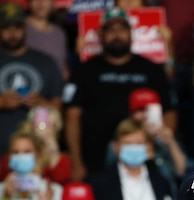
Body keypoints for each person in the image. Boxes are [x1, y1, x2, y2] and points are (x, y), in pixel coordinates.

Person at [64, 7, 175, 180]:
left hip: (143, 156)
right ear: (101, 35)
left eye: (122, 29)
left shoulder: (151, 69)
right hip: (95, 160)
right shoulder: (85, 70)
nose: (117, 35)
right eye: (111, 30)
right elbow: (72, 116)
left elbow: (169, 111)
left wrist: (161, 147)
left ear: (131, 33)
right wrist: (76, 162)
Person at [0, 3, 63, 155]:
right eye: (6, 28)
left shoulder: (46, 62)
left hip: (38, 151)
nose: (12, 33)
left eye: (17, 27)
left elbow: (59, 109)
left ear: (25, 28)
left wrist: (40, 104)